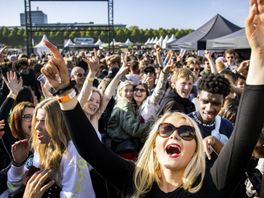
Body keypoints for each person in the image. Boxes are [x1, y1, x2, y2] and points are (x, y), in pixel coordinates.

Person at [41, 2, 264, 196]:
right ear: (153, 145)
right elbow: (91, 149)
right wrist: (64, 91)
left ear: (195, 150)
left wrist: (260, 53)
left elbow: (244, 137)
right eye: (165, 129)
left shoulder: (211, 186)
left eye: (186, 132)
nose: (175, 133)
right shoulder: (137, 183)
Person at [7, 98, 95, 198]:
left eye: (44, 121)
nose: (36, 127)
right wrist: (17, 164)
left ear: (58, 123)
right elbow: (13, 187)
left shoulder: (72, 153)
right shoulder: (42, 147)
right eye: (37, 120)